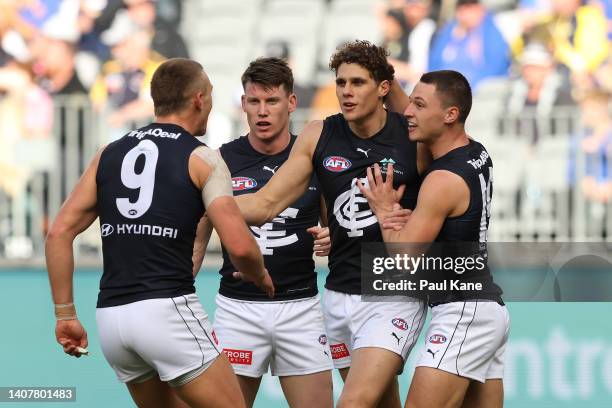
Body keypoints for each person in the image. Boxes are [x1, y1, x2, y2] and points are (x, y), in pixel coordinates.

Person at [45, 58, 274, 408]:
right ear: (199, 99)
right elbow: (241, 247)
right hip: (166, 311)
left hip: (112, 318)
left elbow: (58, 233)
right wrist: (260, 275)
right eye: (210, 96)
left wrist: (65, 315)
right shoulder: (203, 158)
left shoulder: (108, 154)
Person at [235, 40, 430, 408]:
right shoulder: (318, 134)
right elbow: (266, 202)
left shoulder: (412, 136)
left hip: (393, 292)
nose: (346, 92)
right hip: (338, 294)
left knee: (353, 403)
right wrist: (203, 203)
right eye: (341, 83)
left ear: (383, 88)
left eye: (358, 82)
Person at [358, 70, 510, 408]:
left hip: (463, 311)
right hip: (486, 307)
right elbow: (419, 118)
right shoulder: (476, 151)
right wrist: (387, 76)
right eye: (410, 102)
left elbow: (401, 261)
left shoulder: (442, 180)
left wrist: (384, 211)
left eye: (420, 105)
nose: (408, 112)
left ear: (450, 115)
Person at [193, 57, 334, 408]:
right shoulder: (219, 160)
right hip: (238, 309)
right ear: (243, 104)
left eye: (272, 101)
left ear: (291, 103)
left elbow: (337, 228)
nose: (262, 111)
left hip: (301, 307)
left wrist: (335, 238)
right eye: (254, 101)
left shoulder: (315, 159)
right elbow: (196, 244)